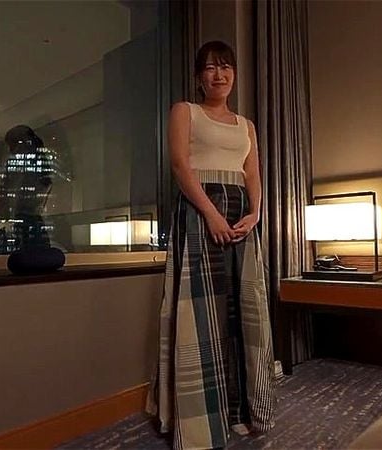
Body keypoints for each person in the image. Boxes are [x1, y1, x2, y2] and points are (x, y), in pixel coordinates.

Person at [146, 41, 276, 450]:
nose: (219, 75)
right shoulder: (185, 111)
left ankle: (242, 410)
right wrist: (211, 215)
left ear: (233, 74)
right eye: (210, 68)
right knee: (202, 316)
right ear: (198, 76)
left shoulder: (246, 125)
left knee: (242, 313)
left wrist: (255, 214)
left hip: (241, 218)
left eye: (225, 67)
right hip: (200, 212)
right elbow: (180, 165)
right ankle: (201, 420)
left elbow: (252, 173)